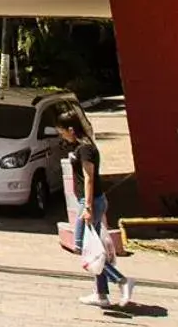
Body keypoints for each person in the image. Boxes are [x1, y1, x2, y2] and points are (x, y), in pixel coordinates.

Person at [57, 111, 134, 308]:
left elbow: (89, 177)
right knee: (95, 249)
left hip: (92, 202)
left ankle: (121, 280)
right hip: (89, 201)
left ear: (71, 130)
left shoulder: (85, 148)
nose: (61, 136)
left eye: (62, 132)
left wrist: (88, 207)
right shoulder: (79, 146)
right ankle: (101, 294)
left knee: (82, 246)